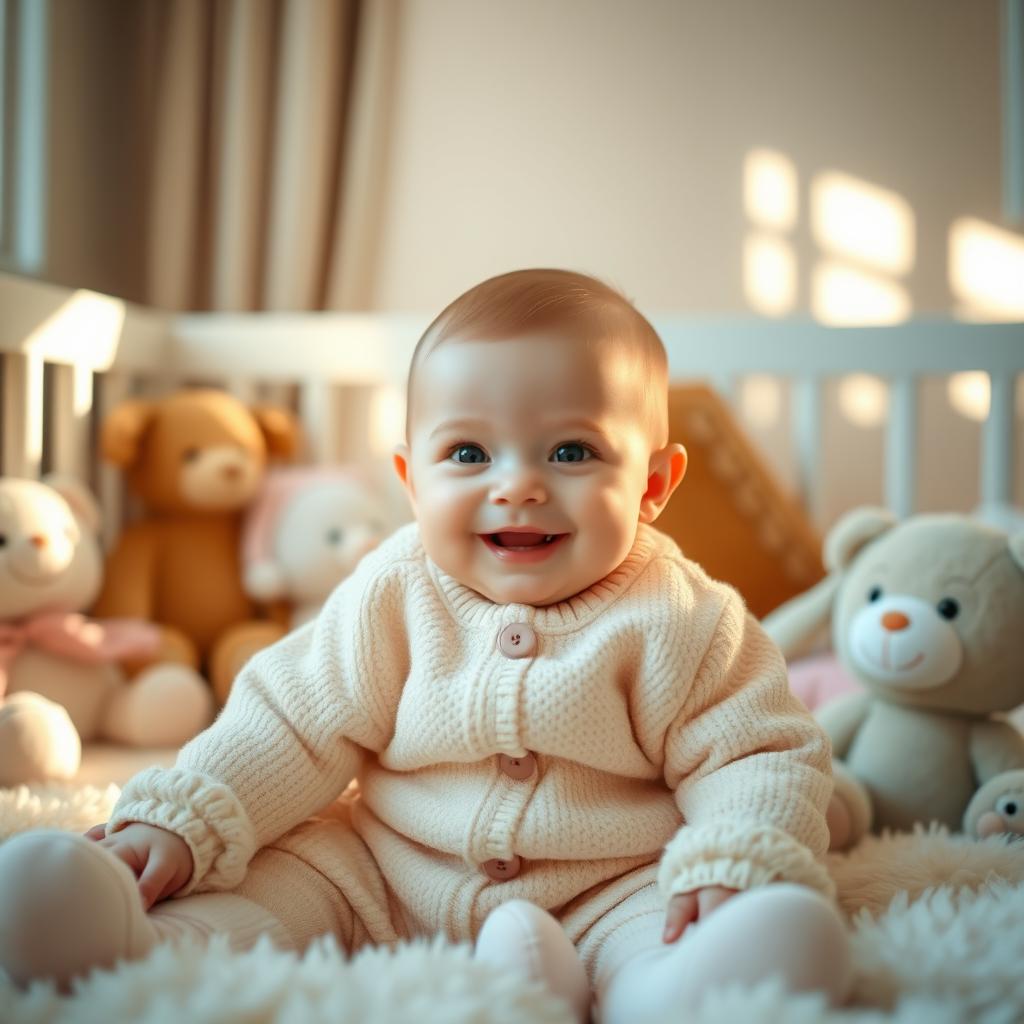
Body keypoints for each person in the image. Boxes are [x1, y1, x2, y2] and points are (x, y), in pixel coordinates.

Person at [0, 269, 850, 1020]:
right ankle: (132, 937)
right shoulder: (392, 588)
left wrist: (738, 861)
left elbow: (757, 752)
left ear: (654, 484)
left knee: (664, 927)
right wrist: (183, 822)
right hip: (387, 872)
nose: (516, 484)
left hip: (606, 886)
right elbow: (292, 723)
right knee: (289, 881)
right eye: (469, 452)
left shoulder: (686, 617)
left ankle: (682, 990)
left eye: (570, 450)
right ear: (412, 483)